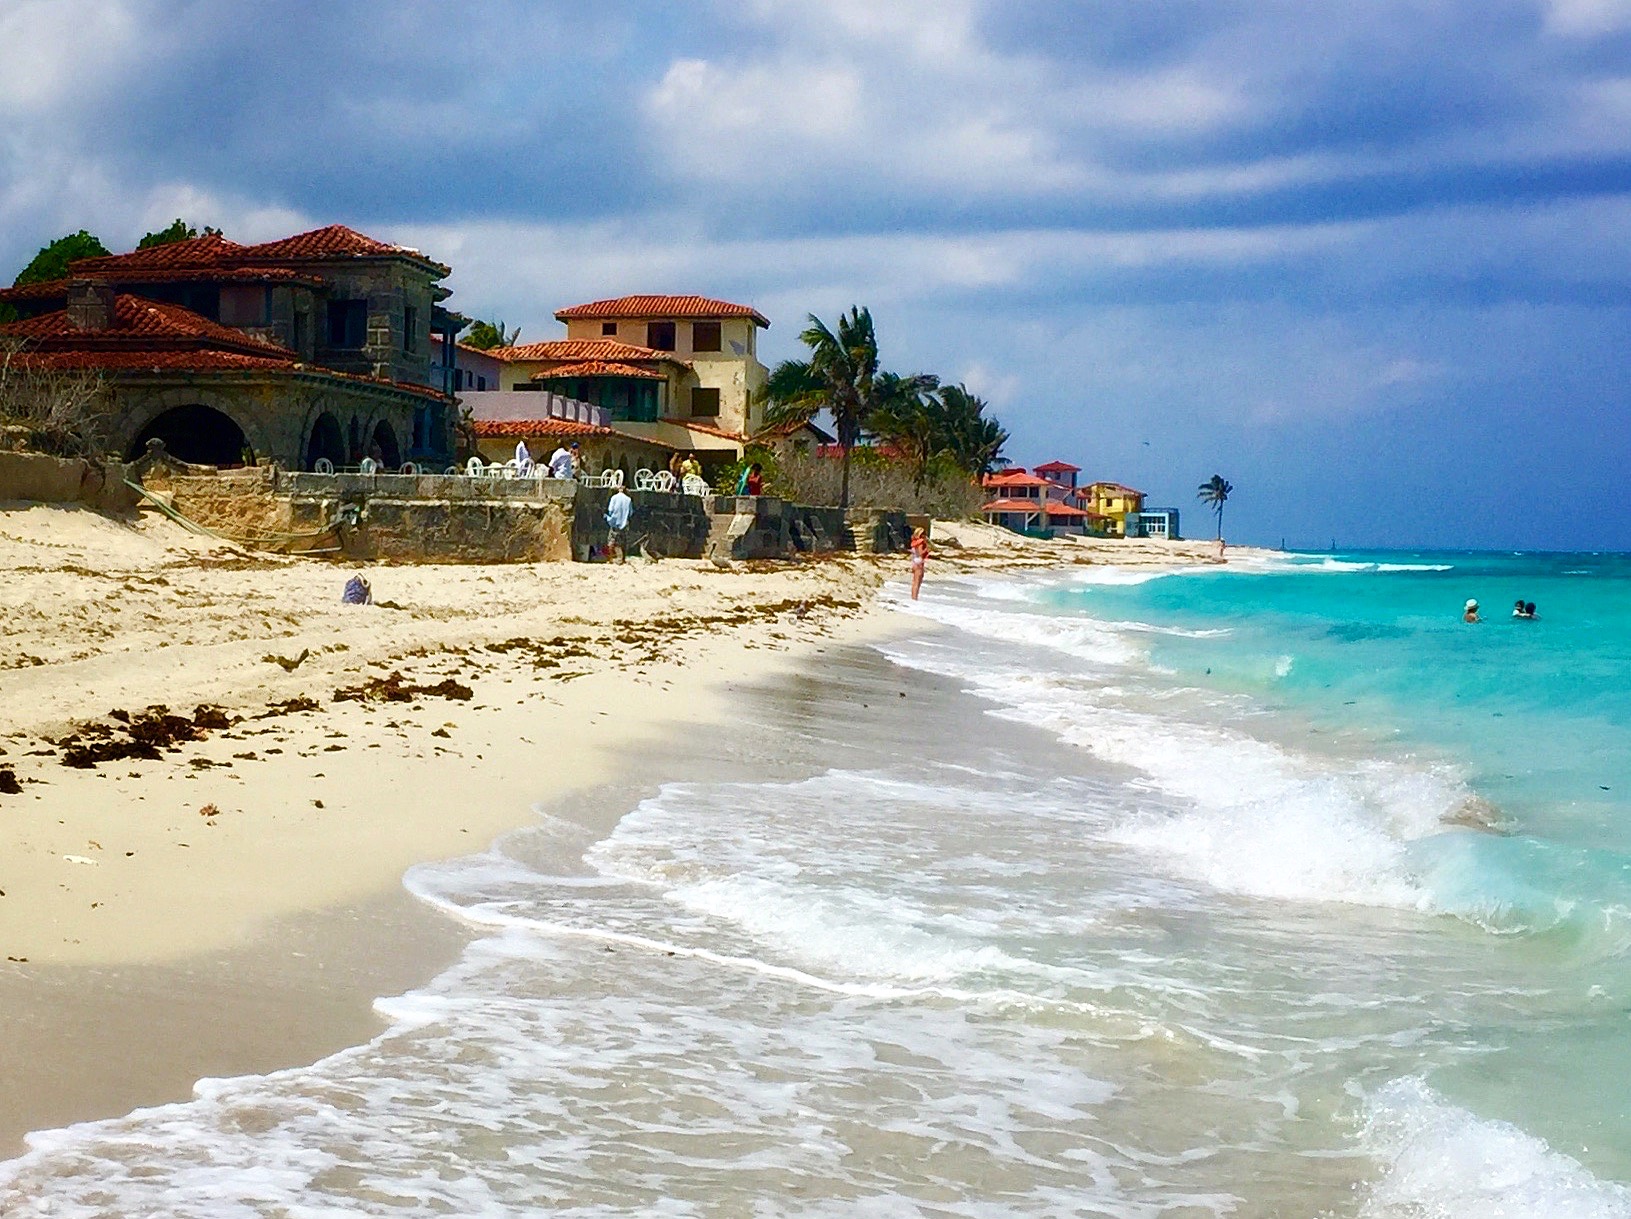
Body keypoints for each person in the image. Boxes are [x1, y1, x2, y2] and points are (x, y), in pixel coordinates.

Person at [604, 484, 633, 563]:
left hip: (615, 522)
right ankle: (622, 558)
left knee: (611, 540)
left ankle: (610, 558)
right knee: (623, 541)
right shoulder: (628, 499)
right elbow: (630, 513)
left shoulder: (614, 498)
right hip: (624, 523)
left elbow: (610, 510)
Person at [909, 526, 930, 600]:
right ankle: (915, 598)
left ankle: (913, 597)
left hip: (914, 561)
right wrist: (927, 550)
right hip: (919, 562)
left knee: (914, 582)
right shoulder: (921, 542)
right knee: (917, 582)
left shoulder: (914, 542)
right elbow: (921, 553)